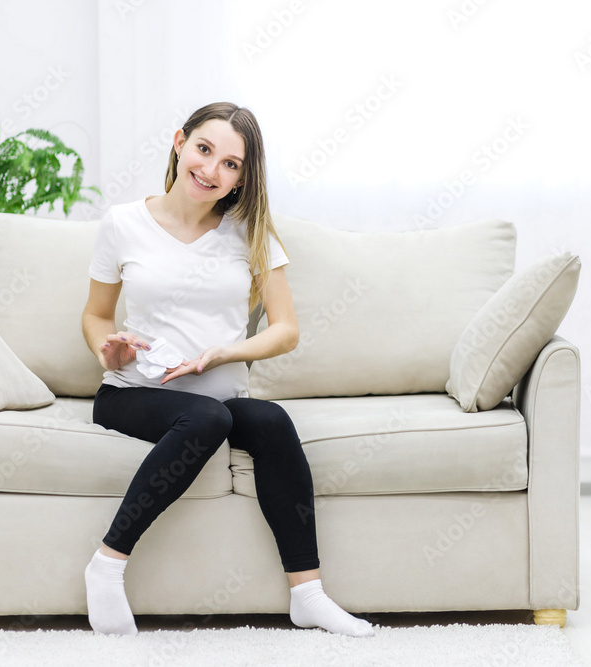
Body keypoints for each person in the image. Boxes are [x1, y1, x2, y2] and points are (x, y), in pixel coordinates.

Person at [80, 102, 374, 639]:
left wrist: (220, 353)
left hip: (219, 398)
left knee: (269, 420)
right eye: (204, 149)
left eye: (232, 164)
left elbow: (285, 329)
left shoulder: (250, 232)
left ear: (243, 177)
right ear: (179, 142)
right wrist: (109, 351)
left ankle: (307, 594)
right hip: (133, 391)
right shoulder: (123, 223)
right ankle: (106, 564)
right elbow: (97, 315)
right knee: (207, 419)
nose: (212, 170)